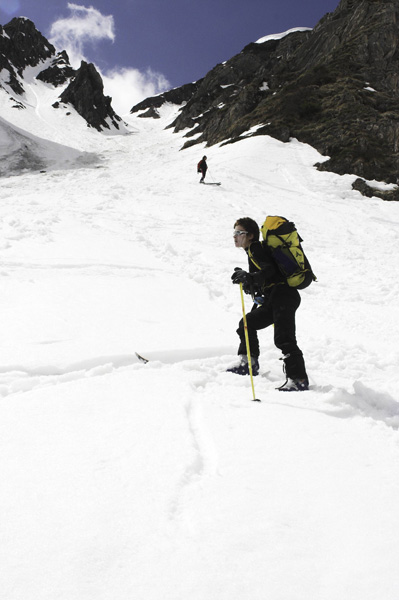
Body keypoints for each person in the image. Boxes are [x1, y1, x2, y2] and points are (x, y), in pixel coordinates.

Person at [227, 217, 309, 391]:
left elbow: (268, 270)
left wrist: (250, 277)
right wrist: (248, 282)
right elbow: (267, 276)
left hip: (284, 296)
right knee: (246, 324)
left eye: (238, 233)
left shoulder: (256, 248)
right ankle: (248, 364)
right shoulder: (252, 251)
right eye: (234, 232)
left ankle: (299, 379)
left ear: (250, 235)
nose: (234, 236)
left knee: (284, 338)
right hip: (275, 297)